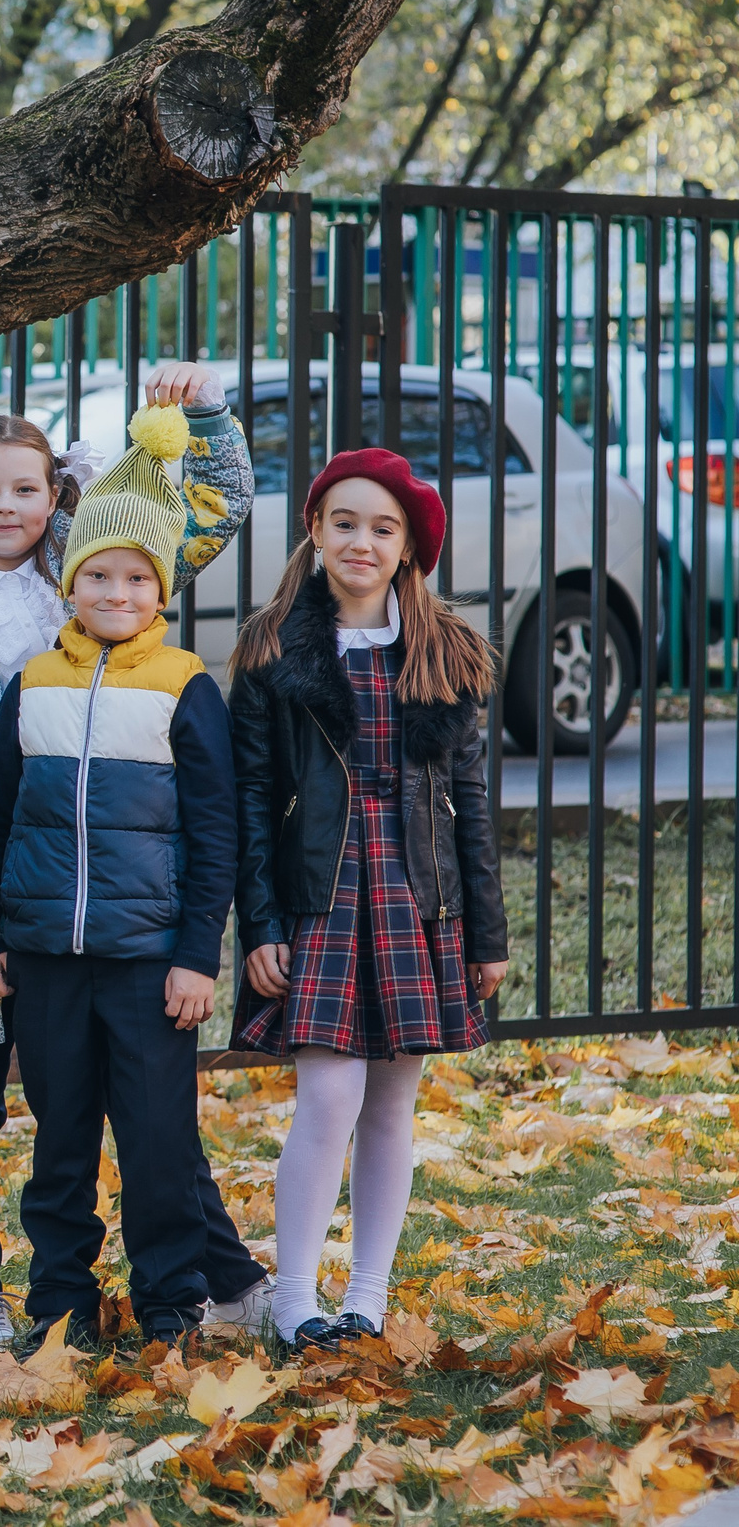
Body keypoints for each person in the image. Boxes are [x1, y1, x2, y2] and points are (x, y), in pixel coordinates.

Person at [0, 364, 265, 1345]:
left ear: (60, 491)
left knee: (143, 1106)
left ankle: (211, 1276)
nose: (7, 505)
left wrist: (205, 415)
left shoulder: (101, 568)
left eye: (26, 486)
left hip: (112, 905)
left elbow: (215, 509)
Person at [229, 450, 507, 1353]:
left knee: (392, 1102)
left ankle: (369, 1293)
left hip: (418, 902)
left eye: (383, 528)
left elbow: (471, 805)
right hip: (320, 898)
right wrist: (261, 927)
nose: (361, 540)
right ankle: (295, 1294)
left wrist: (486, 935)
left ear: (409, 549)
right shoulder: (274, 652)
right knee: (328, 1098)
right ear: (313, 530)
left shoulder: (446, 655)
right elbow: (249, 805)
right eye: (343, 521)